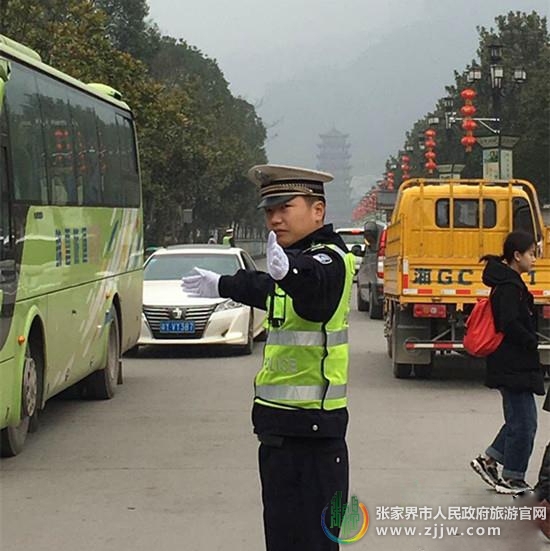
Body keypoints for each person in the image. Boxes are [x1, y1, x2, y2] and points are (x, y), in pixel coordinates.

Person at [181, 164, 356, 550]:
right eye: (268, 210)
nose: (275, 218)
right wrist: (222, 283)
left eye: (285, 207)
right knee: (280, 540)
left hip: (316, 436)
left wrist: (291, 271)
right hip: (277, 433)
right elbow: (263, 287)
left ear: (318, 211)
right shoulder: (288, 262)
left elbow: (315, 288)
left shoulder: (330, 260)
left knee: (317, 543)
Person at [470, 230, 546, 495]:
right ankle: (513, 477)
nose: (534, 259)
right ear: (516, 256)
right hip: (513, 364)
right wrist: (530, 341)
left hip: (514, 364)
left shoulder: (509, 283)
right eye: (531, 254)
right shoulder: (509, 287)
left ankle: (489, 460)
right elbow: (509, 322)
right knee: (524, 423)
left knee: (519, 420)